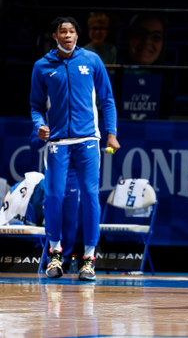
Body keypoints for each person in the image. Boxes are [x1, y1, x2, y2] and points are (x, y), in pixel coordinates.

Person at [30, 16, 121, 281]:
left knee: (90, 196)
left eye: (72, 31)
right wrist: (39, 125)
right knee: (54, 197)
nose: (68, 35)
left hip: (88, 142)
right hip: (58, 143)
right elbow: (36, 105)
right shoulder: (42, 67)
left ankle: (89, 257)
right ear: (55, 37)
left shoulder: (92, 60)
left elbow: (107, 99)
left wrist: (111, 133)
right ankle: (55, 253)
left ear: (77, 36)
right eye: (63, 32)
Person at [29, 126, 79, 273]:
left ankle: (66, 259)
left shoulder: (78, 116)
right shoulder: (46, 119)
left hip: (73, 175)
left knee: (70, 220)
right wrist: (41, 136)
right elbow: (34, 143)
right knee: (53, 215)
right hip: (54, 173)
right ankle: (52, 257)